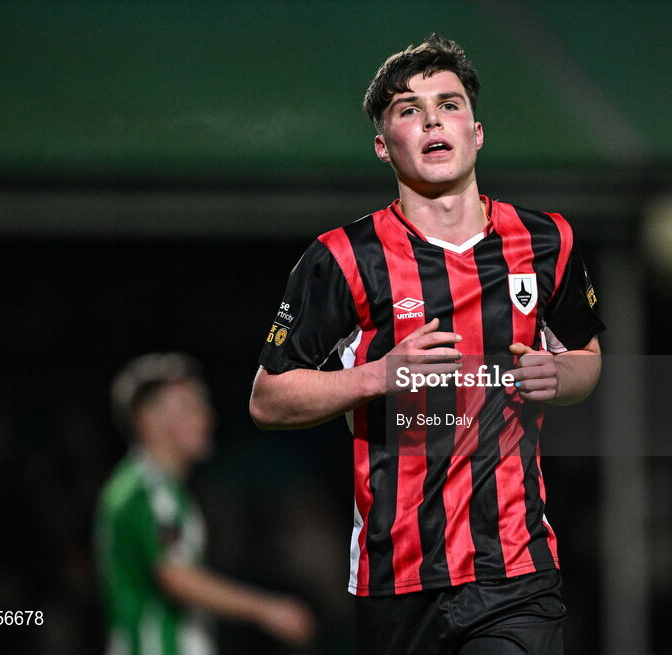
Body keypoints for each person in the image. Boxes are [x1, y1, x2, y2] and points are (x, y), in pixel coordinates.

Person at [249, 34, 604, 655]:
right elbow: (267, 400)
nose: (433, 119)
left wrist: (559, 374)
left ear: (477, 131)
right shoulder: (342, 257)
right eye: (409, 110)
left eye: (449, 104)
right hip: (395, 583)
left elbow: (587, 361)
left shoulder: (548, 241)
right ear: (384, 146)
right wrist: (377, 376)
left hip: (514, 574)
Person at [95, 352, 315, 655]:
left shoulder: (146, 487)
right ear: (147, 421)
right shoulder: (149, 491)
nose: (205, 416)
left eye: (202, 404)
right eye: (187, 407)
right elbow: (177, 576)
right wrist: (267, 609)